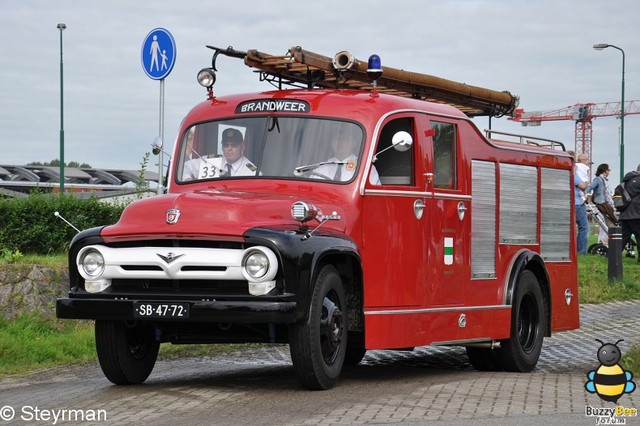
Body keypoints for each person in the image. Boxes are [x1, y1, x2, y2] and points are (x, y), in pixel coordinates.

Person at [182, 128, 257, 180]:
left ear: (242, 147)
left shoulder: (251, 172)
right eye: (226, 145)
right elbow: (184, 167)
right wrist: (187, 178)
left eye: (234, 145)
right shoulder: (211, 161)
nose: (229, 148)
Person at [313, 128, 381, 185]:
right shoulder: (322, 167)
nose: (340, 142)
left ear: (353, 143)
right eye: (337, 138)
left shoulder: (365, 168)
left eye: (345, 139)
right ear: (332, 142)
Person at [585, 163, 616, 245]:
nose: (609, 172)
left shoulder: (604, 180)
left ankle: (603, 242)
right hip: (601, 204)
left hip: (604, 204)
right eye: (608, 170)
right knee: (604, 224)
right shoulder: (598, 180)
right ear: (605, 170)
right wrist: (583, 196)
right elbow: (589, 187)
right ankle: (602, 242)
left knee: (605, 225)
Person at [618, 163, 640, 263]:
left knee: (622, 238)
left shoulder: (626, 180)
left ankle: (612, 257)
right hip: (636, 214)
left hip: (624, 213)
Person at [575, 169, 589, 255]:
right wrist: (586, 183)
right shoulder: (574, 174)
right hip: (578, 203)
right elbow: (583, 186)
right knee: (584, 227)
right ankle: (581, 251)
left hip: (573, 203)